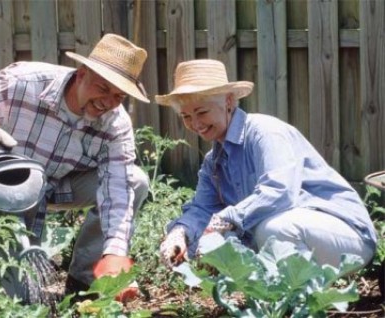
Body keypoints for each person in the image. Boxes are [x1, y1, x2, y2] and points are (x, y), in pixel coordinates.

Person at [0, 33, 150, 299]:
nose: (108, 102)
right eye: (103, 88)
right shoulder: (23, 83)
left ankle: (85, 281)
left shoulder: (116, 124)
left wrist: (115, 254)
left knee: (135, 181)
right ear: (81, 74)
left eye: (119, 96)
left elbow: (118, 190)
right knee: (5, 298)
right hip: (0, 190)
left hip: (58, 185)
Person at [157, 59, 377, 270]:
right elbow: (203, 209)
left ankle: (299, 300)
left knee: (272, 230)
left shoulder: (266, 133)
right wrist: (180, 233)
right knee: (204, 244)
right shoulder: (212, 162)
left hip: (349, 237)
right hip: (301, 236)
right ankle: (278, 297)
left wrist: (227, 218)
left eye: (202, 112)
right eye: (186, 117)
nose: (195, 124)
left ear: (229, 102)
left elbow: (280, 193)